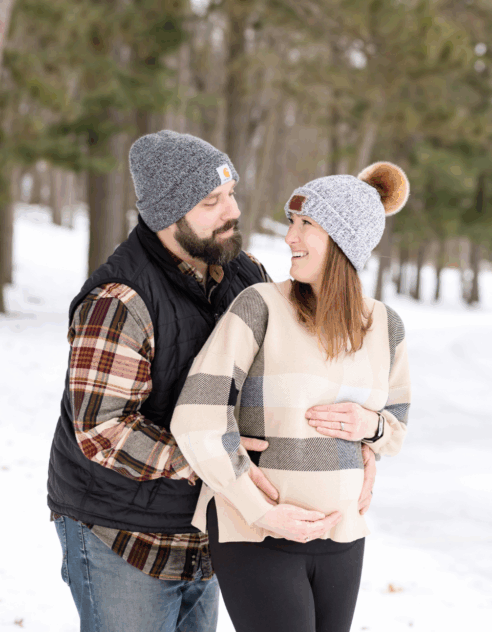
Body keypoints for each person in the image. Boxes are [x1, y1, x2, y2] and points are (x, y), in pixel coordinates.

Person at [46, 130, 376, 632]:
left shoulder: (246, 276)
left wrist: (360, 439)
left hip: (209, 526)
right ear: (167, 214)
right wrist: (213, 458)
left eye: (231, 193)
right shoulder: (119, 300)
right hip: (121, 532)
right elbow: (102, 431)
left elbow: (291, 375)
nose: (232, 211)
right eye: (211, 201)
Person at [170, 162, 412, 632]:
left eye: (306, 224)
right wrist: (260, 509)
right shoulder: (260, 306)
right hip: (255, 530)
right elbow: (197, 417)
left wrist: (371, 427)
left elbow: (395, 425)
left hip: (343, 531)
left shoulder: (385, 326)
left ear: (343, 241)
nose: (289, 237)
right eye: (291, 222)